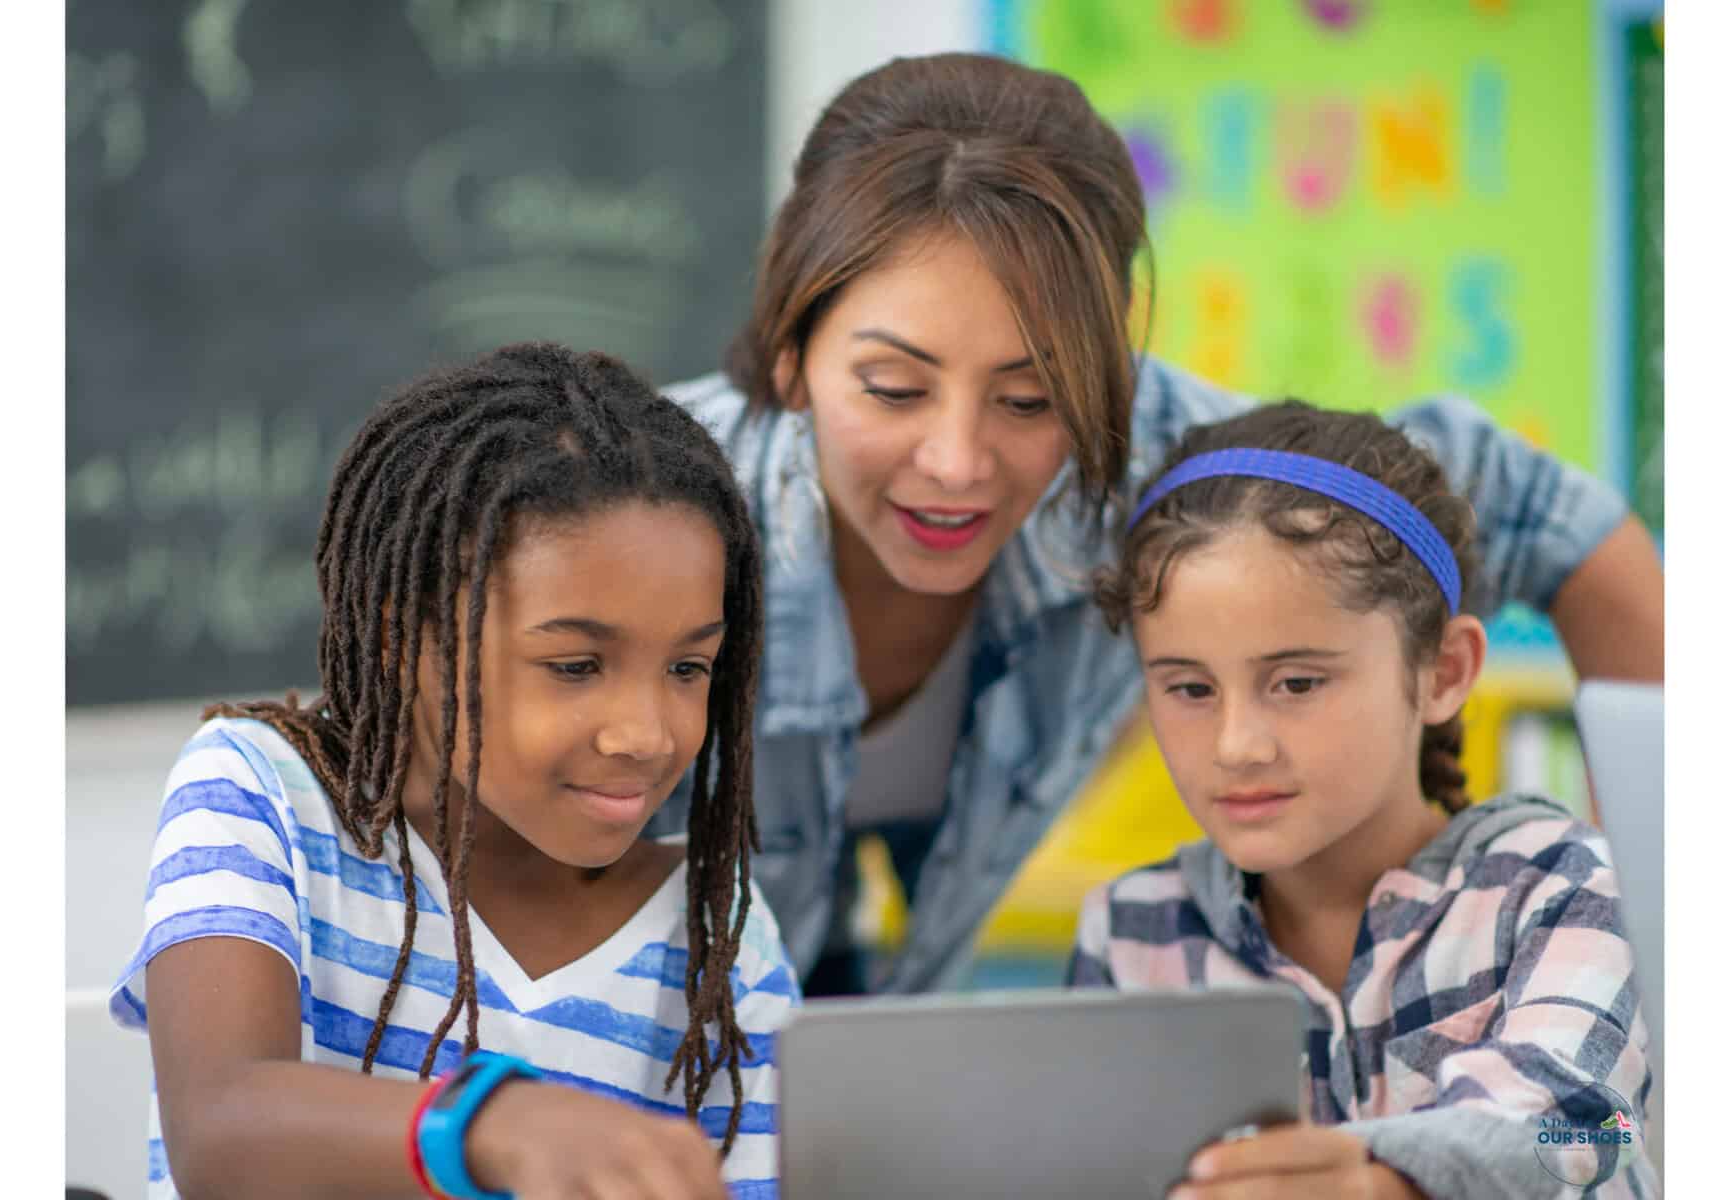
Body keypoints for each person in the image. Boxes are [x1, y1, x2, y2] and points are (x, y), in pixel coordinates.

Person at [647, 51, 1666, 996]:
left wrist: (1655, 934)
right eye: (893, 387)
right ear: (788, 352)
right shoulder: (643, 503)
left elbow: (1553, 519)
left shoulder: (1186, 469)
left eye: (1032, 399)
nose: (958, 462)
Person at [109, 344, 798, 1200]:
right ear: (409, 643)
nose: (645, 734)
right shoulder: (265, 795)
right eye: (577, 666)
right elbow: (220, 1129)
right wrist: (494, 1124)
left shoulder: (716, 929)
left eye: (689, 669)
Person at [1068, 401, 1656, 1199]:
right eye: (1189, 687)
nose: (1238, 744)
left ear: (1443, 672)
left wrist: (1386, 1180)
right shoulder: (1128, 936)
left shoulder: (1563, 886)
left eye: (1297, 682)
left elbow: (1594, 1132)